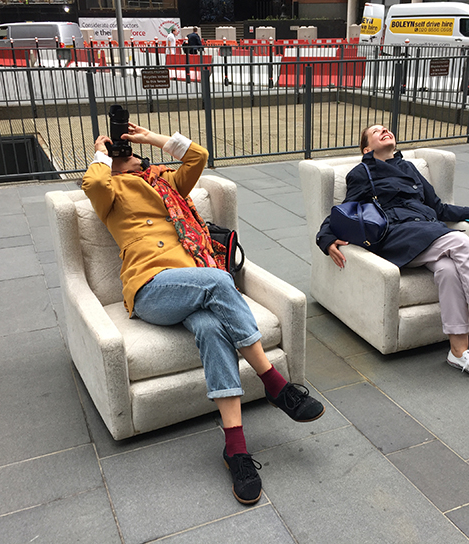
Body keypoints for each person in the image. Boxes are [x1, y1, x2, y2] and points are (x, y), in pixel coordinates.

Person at [82, 123, 325, 505]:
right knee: (216, 279)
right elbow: (92, 185)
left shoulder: (167, 183)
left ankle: (236, 450)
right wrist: (101, 152)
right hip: (152, 288)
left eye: (128, 148)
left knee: (213, 329)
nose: (125, 151)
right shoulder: (110, 191)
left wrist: (149, 138)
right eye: (119, 151)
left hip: (192, 285)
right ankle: (275, 384)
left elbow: (198, 156)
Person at [316, 125, 469, 383]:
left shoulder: (410, 169)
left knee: (449, 270)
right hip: (396, 236)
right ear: (366, 148)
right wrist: (325, 237)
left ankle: (459, 351)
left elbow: (438, 207)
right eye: (376, 132)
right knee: (460, 242)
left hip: (428, 230)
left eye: (386, 128)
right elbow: (345, 211)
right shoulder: (362, 172)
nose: (384, 130)